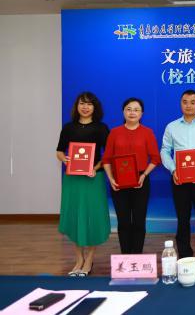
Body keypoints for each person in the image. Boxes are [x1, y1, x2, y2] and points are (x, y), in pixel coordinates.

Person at [55, 91, 110, 276]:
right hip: (73, 179)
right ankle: (78, 258)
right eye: (82, 103)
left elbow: (108, 155)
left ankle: (89, 259)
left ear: (95, 107)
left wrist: (95, 167)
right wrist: (65, 159)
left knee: (92, 216)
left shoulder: (101, 128)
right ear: (76, 106)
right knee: (76, 216)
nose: (85, 107)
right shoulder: (68, 128)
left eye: (89, 104)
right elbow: (59, 151)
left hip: (93, 178)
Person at [160, 89, 195, 273]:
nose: (189, 105)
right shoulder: (172, 127)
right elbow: (164, 151)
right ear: (180, 104)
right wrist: (173, 169)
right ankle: (185, 258)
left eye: (193, 102)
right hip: (179, 179)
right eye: (185, 102)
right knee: (182, 219)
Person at [103, 97, 161, 254]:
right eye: (129, 109)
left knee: (139, 221)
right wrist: (111, 178)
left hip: (140, 180)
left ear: (142, 113)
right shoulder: (114, 132)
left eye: (136, 110)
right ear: (123, 112)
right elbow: (106, 159)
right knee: (123, 222)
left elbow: (156, 159)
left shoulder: (147, 132)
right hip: (118, 181)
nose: (132, 112)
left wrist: (144, 175)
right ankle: (125, 256)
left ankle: (137, 256)